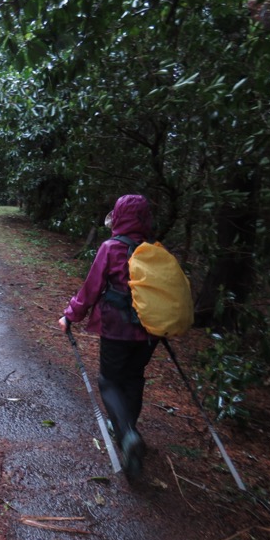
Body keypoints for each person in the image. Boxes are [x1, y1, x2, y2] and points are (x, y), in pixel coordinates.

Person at [58, 194, 158, 479]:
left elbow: (91, 289)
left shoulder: (111, 248)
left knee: (109, 380)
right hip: (150, 331)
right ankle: (128, 433)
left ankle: (127, 434)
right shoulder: (154, 251)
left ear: (119, 216)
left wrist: (70, 315)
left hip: (117, 329)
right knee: (134, 378)